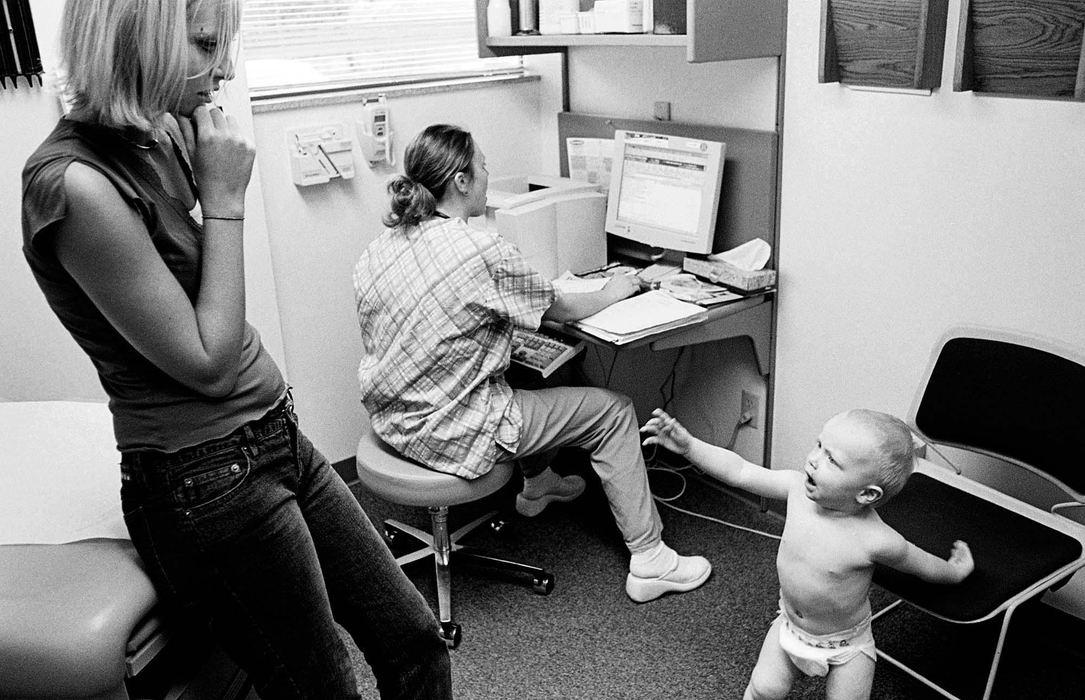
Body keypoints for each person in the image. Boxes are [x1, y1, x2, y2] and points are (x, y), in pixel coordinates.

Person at [21, 1, 451, 697]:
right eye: (203, 43)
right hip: (201, 478)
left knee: (415, 644)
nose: (223, 67)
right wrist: (225, 199)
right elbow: (208, 360)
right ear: (135, 35)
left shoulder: (158, 129)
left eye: (226, 44)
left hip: (275, 437)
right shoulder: (74, 185)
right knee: (321, 689)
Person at [353, 124, 712, 603]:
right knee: (614, 411)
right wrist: (612, 290)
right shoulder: (479, 251)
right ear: (460, 181)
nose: (487, 174)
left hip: (395, 417)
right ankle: (651, 560)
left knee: (527, 369)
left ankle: (538, 485)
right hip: (452, 429)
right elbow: (558, 308)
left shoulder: (379, 249)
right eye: (482, 166)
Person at [641, 408, 975, 700]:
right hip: (789, 627)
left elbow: (921, 565)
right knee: (763, 690)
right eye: (819, 445)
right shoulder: (796, 490)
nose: (814, 459)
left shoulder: (877, 540)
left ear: (867, 493)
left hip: (847, 646)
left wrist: (954, 571)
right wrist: (689, 447)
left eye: (832, 459)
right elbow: (739, 471)